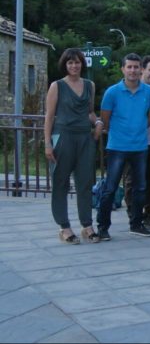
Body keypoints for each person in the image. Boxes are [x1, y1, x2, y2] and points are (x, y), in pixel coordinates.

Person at [44, 48, 103, 244]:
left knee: (85, 183)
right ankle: (64, 227)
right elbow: (49, 117)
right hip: (63, 137)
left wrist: (98, 124)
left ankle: (87, 226)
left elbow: (90, 113)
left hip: (84, 139)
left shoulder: (89, 85)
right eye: (70, 62)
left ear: (82, 64)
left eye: (77, 62)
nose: (74, 66)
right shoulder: (57, 86)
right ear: (65, 65)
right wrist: (47, 144)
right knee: (60, 183)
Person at [98, 53, 150, 240]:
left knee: (140, 188)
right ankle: (103, 227)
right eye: (129, 67)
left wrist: (137, 130)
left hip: (140, 147)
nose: (133, 70)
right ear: (122, 69)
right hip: (117, 147)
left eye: (136, 67)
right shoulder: (112, 92)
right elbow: (105, 119)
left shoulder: (149, 92)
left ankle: (136, 224)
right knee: (110, 188)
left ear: (141, 69)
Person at [124, 55, 150, 231]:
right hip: (134, 142)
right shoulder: (132, 88)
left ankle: (149, 214)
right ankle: (134, 214)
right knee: (132, 179)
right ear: (142, 70)